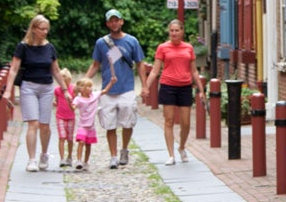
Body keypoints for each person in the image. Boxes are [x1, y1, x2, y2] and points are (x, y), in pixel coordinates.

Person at [2, 15, 72, 172]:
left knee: (45, 125)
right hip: (29, 87)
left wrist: (65, 90)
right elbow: (13, 69)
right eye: (42, 29)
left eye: (47, 29)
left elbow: (55, 69)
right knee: (33, 124)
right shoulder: (23, 47)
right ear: (33, 29)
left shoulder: (50, 48)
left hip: (46, 88)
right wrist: (8, 90)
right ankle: (31, 159)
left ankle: (44, 154)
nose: (45, 32)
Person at [83, 9, 149, 169]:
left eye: (116, 20)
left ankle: (124, 149)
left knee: (128, 123)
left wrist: (145, 85)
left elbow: (140, 64)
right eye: (111, 21)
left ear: (121, 21)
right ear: (107, 23)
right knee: (110, 124)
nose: (114, 23)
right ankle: (113, 156)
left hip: (126, 87)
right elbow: (95, 65)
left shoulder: (132, 41)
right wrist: (84, 81)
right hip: (108, 89)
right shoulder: (101, 43)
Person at [143, 19, 205, 165]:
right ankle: (171, 155)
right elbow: (155, 71)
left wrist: (201, 90)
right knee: (169, 120)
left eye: (177, 30)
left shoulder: (188, 48)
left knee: (186, 122)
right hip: (168, 86)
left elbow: (194, 71)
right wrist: (146, 86)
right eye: (172, 31)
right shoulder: (163, 48)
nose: (174, 33)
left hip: (184, 86)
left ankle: (182, 147)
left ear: (182, 31)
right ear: (169, 32)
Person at [71, 74, 113, 171]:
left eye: (91, 86)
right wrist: (69, 101)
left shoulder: (94, 96)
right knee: (81, 142)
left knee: (88, 144)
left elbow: (105, 91)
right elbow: (73, 108)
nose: (91, 88)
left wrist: (111, 82)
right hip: (82, 125)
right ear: (82, 89)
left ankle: (86, 162)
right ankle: (78, 160)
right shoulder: (78, 99)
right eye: (88, 87)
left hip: (91, 126)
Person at [54, 68, 77, 168]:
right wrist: (55, 103)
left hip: (70, 116)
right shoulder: (57, 90)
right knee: (62, 137)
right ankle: (62, 158)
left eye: (66, 81)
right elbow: (56, 100)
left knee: (70, 138)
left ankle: (69, 156)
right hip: (60, 116)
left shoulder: (73, 89)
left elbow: (76, 101)